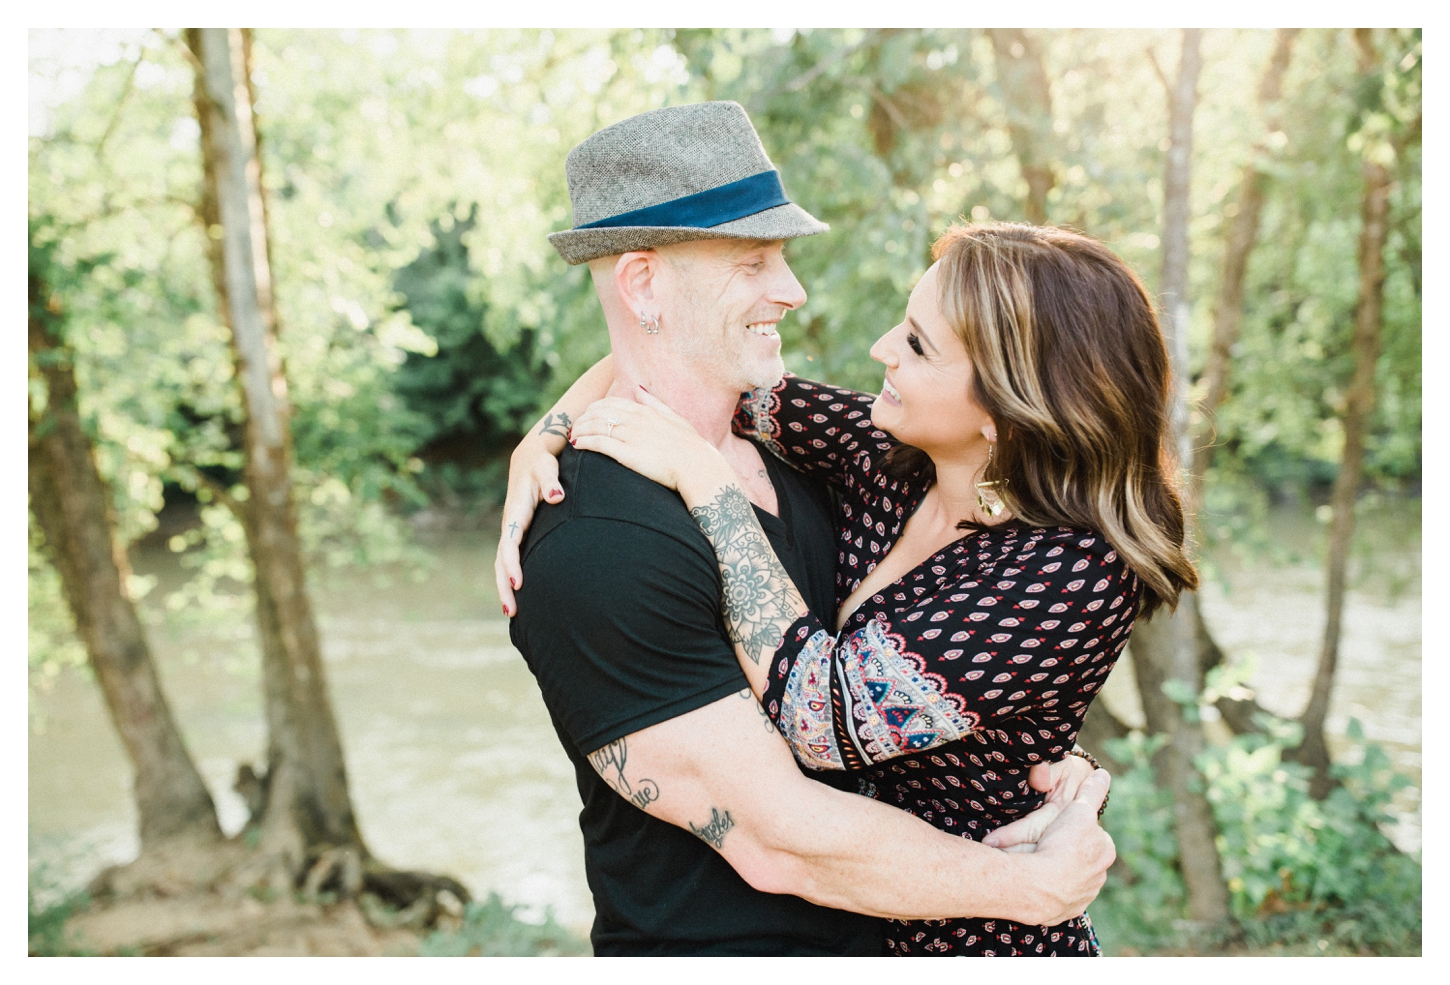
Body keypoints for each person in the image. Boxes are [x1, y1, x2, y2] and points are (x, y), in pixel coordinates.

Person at [503, 101, 1117, 957]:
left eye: (784, 259)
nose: (793, 291)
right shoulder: (598, 537)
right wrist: (1035, 886)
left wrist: (1038, 757)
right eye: (754, 262)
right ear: (643, 284)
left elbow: (918, 693)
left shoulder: (844, 470)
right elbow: (775, 834)